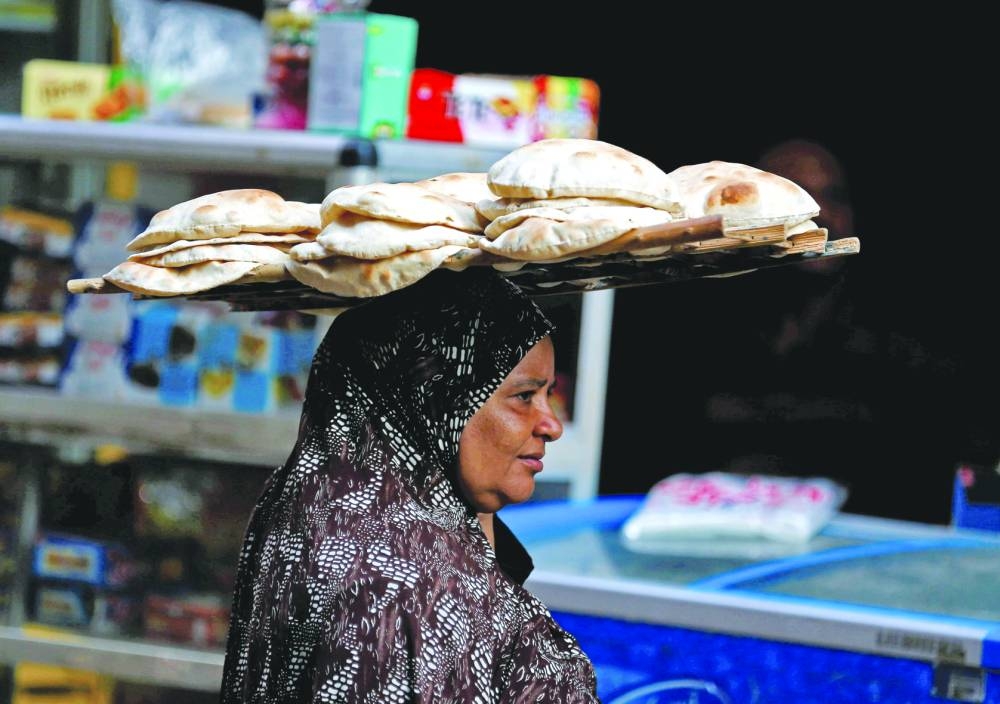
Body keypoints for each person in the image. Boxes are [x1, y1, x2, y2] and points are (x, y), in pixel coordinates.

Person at [220, 269, 599, 702]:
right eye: (524, 396)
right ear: (435, 402)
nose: (551, 425)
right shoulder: (407, 583)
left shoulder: (320, 507)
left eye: (548, 394)